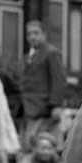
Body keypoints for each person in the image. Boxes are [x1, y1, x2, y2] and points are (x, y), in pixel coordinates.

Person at [20, 21, 67, 152]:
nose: (32, 37)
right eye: (29, 34)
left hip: (45, 108)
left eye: (36, 33)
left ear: (44, 35)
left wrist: (56, 105)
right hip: (30, 108)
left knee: (46, 145)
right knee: (30, 144)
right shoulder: (29, 56)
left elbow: (59, 80)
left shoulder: (51, 53)